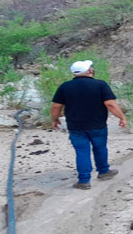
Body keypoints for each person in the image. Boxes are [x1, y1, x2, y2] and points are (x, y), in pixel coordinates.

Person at [51, 60, 127, 190]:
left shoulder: (65, 86)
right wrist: (122, 117)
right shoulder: (100, 85)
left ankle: (84, 181)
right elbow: (110, 104)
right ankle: (103, 171)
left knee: (82, 152)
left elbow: (56, 106)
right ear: (90, 71)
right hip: (98, 125)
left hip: (75, 126)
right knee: (100, 148)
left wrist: (55, 119)